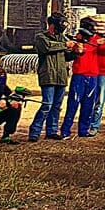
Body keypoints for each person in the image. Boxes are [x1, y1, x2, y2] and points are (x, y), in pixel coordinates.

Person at [28, 12, 71, 142]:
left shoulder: (62, 38)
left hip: (61, 76)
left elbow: (67, 56)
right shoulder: (41, 37)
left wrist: (77, 52)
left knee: (56, 106)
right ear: (51, 25)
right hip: (48, 76)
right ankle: (34, 132)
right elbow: (47, 47)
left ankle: (52, 131)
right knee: (47, 105)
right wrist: (66, 45)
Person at [59, 17, 100, 139]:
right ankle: (65, 130)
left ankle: (84, 130)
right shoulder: (78, 39)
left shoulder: (96, 39)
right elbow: (73, 51)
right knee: (73, 103)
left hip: (93, 75)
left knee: (88, 104)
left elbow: (103, 49)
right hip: (79, 75)